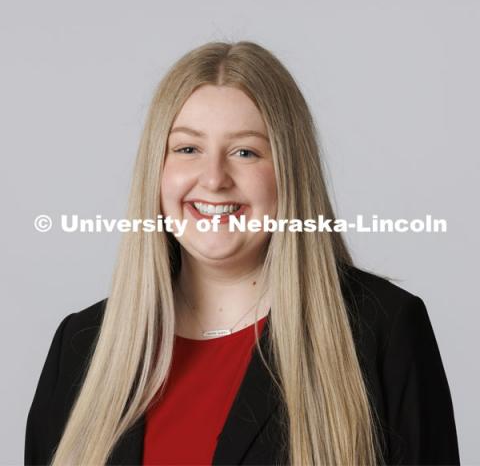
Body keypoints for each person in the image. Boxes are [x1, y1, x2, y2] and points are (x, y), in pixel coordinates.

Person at [25, 41, 460, 465]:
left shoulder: (381, 330)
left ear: (289, 172)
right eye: (187, 149)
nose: (214, 179)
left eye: (245, 152)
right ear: (155, 170)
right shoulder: (81, 346)